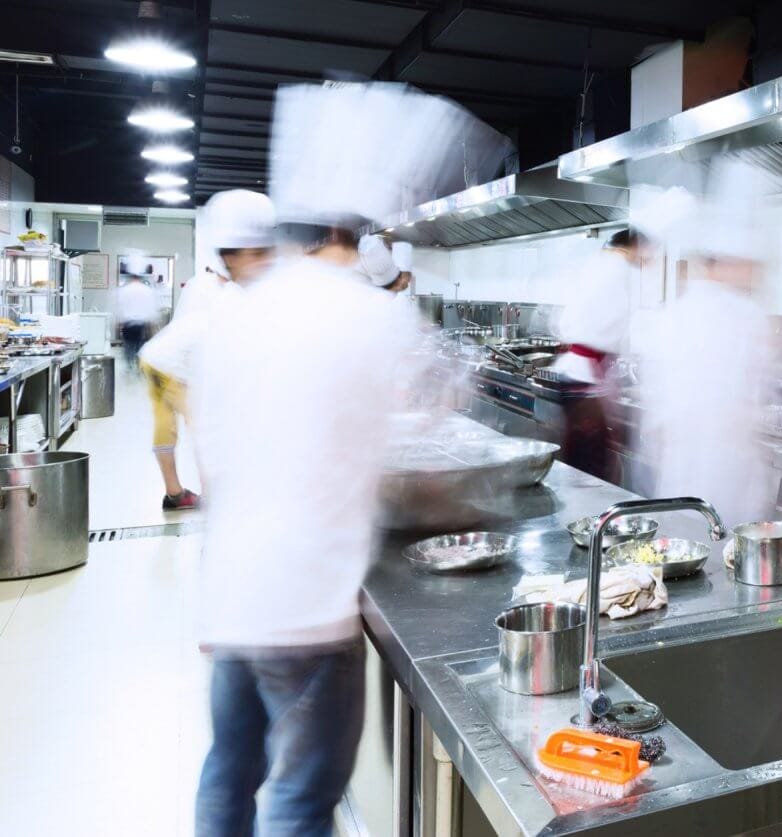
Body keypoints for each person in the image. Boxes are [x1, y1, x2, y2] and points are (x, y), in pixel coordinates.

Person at [190, 82, 508, 837]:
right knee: (302, 798)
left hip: (233, 590)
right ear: (352, 232)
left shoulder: (241, 310)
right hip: (308, 606)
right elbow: (442, 405)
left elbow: (223, 452)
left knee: (229, 769)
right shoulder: (369, 313)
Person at [637, 159, 779, 528]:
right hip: (729, 486)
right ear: (735, 261)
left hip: (676, 479)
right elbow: (757, 404)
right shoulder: (747, 318)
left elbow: (655, 415)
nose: (757, 275)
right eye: (754, 265)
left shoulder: (674, 313)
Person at [139, 189, 276, 511]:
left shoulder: (216, 287)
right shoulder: (231, 298)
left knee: (172, 428)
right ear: (229, 256)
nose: (265, 262)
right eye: (256, 253)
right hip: (175, 365)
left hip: (157, 357)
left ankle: (176, 494)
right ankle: (211, 497)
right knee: (206, 429)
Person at [548, 228, 655, 481]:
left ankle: (581, 513)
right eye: (646, 253)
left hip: (576, 375)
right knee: (590, 467)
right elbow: (616, 328)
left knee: (581, 461)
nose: (647, 261)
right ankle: (588, 517)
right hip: (584, 381)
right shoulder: (615, 269)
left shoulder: (598, 265)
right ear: (634, 246)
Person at [116, 276, 157, 370]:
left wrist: (118, 324)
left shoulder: (124, 290)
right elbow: (151, 310)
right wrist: (152, 327)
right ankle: (139, 368)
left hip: (128, 324)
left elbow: (120, 308)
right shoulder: (147, 290)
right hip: (141, 325)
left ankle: (129, 367)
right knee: (140, 347)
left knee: (128, 347)